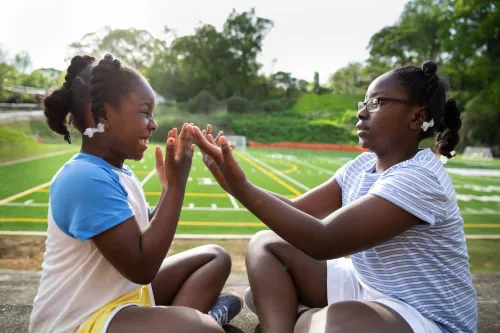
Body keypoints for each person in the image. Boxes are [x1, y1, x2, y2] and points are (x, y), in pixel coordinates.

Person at [193, 60, 477, 333]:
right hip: (368, 286)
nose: (362, 112)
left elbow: (323, 241)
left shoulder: (419, 177)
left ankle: (304, 316)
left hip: (424, 314)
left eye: (376, 103)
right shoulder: (361, 166)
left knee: (326, 321)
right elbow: (297, 210)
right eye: (363, 103)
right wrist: (231, 184)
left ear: (417, 116)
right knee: (266, 245)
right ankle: (294, 322)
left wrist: (242, 186)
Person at [29, 54, 242, 333]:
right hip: (80, 321)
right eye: (145, 112)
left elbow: (138, 235)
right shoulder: (84, 178)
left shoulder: (116, 172)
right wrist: (177, 187)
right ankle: (203, 321)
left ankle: (183, 322)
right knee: (205, 329)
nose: (153, 124)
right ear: (103, 114)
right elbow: (142, 268)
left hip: (122, 300)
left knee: (215, 258)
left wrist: (168, 189)